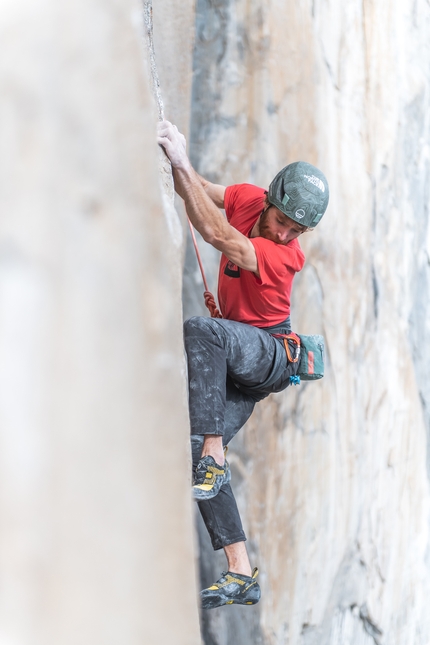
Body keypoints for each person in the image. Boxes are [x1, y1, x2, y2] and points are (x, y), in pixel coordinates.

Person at [157, 120, 329, 609]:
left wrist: (181, 159)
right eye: (283, 222)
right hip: (241, 352)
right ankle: (239, 571)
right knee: (193, 449)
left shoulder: (283, 257)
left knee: (201, 331)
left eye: (298, 229)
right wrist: (175, 161)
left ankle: (214, 453)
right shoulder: (251, 199)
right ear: (271, 199)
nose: (287, 232)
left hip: (269, 351)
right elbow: (203, 192)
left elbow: (214, 232)